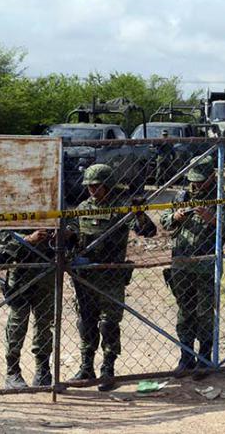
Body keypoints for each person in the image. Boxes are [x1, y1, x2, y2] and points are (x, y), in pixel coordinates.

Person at [66, 164, 157, 391]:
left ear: (107, 185)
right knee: (85, 322)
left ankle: (108, 369)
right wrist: (69, 235)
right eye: (89, 187)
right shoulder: (83, 207)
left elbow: (147, 230)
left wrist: (140, 214)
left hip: (110, 275)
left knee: (108, 323)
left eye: (97, 187)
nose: (92, 191)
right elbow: (74, 233)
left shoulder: (120, 208)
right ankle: (86, 367)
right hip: (85, 276)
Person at [159, 155, 225, 378]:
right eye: (192, 180)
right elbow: (164, 220)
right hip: (181, 263)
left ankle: (205, 358)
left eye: (200, 180)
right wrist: (174, 217)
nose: (195, 185)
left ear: (212, 177)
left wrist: (212, 219)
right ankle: (186, 357)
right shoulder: (182, 196)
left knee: (205, 313)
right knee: (185, 313)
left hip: (206, 266)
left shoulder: (222, 199)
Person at [0, 227, 56, 389]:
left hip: (46, 269)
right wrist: (26, 239)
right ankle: (12, 371)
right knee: (17, 322)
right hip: (20, 270)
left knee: (45, 321)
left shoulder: (52, 203)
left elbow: (69, 224)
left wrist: (62, 233)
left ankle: (43, 370)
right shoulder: (14, 205)